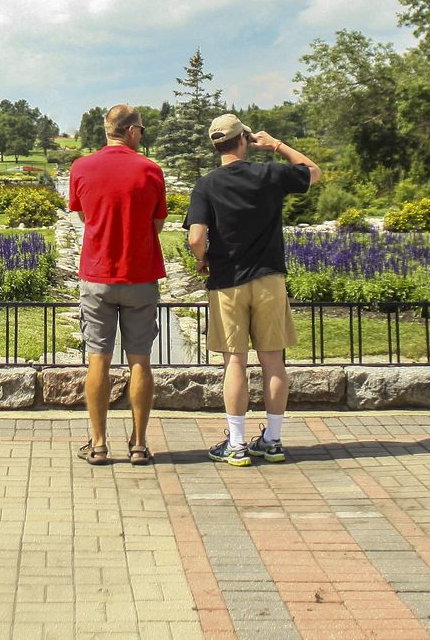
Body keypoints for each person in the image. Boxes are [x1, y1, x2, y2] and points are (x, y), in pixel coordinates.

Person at [185, 114, 318, 467]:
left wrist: (203, 260)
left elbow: (196, 237)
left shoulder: (206, 185)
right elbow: (312, 171)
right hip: (269, 278)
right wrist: (275, 144)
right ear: (244, 140)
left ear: (216, 145)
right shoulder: (269, 174)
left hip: (227, 282)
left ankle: (238, 444)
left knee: (235, 362)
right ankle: (272, 441)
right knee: (273, 360)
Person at [67, 104, 168, 465]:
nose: (142, 134)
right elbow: (157, 224)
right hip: (140, 276)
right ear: (130, 131)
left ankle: (97, 444)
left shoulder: (81, 167)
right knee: (140, 361)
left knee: (99, 359)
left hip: (97, 276)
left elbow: (82, 215)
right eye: (141, 128)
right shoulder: (150, 170)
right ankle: (139, 444)